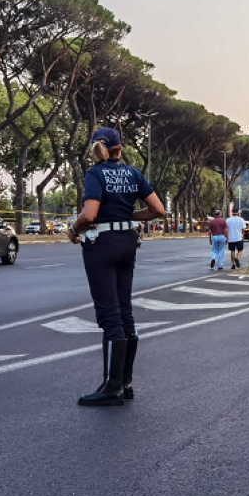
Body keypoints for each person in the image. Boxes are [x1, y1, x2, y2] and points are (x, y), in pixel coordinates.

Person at [68, 127, 165, 406]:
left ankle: (111, 388)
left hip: (102, 243)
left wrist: (74, 230)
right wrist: (127, 214)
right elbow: (158, 210)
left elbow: (90, 214)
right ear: (120, 148)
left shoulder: (95, 174)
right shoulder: (133, 173)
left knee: (109, 314)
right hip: (127, 242)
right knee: (125, 311)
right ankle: (125, 382)